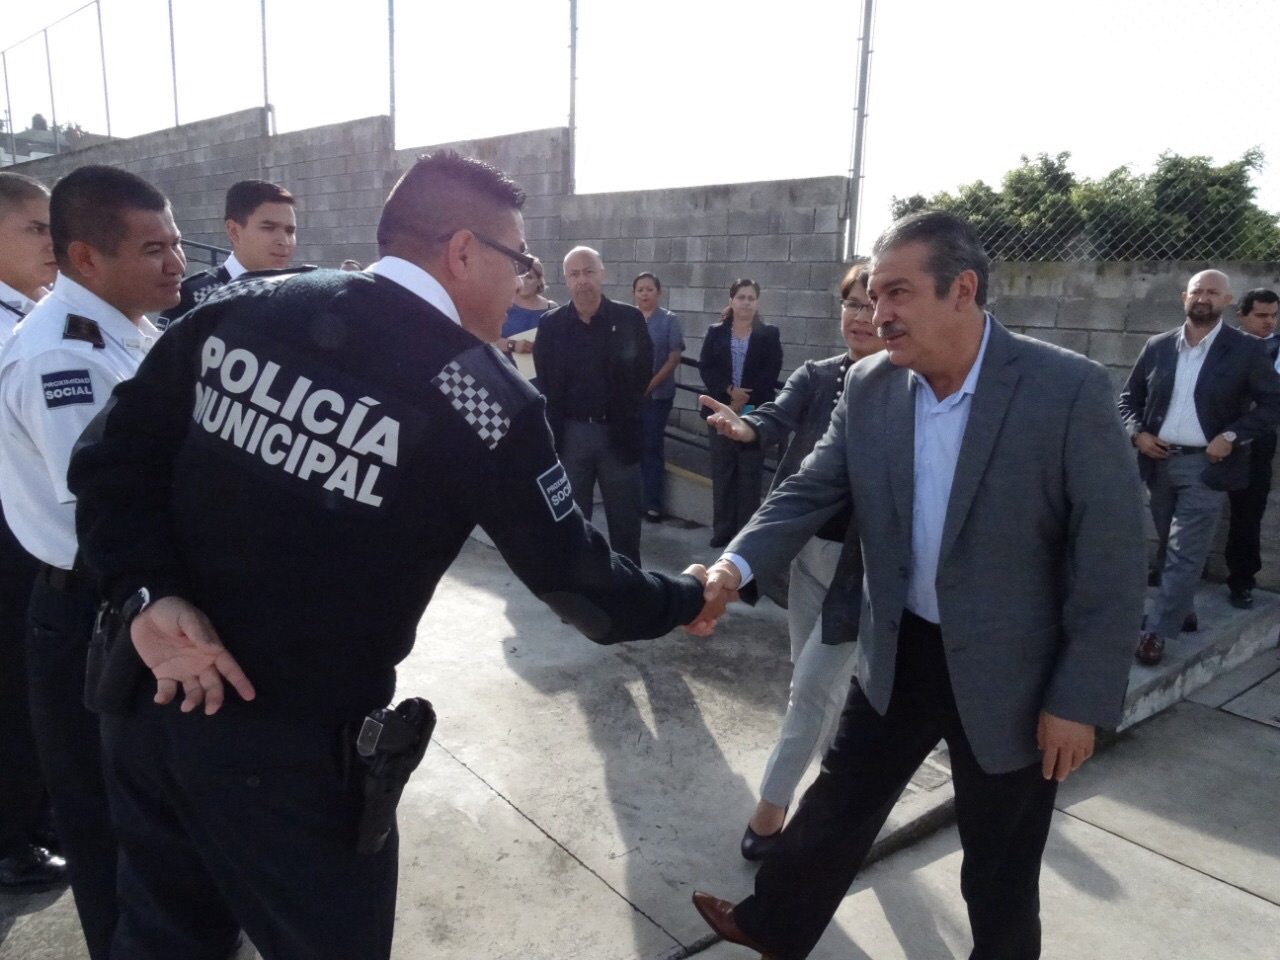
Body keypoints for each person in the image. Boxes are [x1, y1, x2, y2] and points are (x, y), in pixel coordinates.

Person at [67, 151, 718, 960]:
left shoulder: (247, 305)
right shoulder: (479, 396)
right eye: (518, 259)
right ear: (463, 251)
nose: (523, 282)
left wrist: (144, 591)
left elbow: (107, 462)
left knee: (161, 941)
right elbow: (584, 587)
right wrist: (688, 596)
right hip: (291, 757)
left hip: (148, 703)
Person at [690, 211, 1146, 960]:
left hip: (1013, 678)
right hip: (899, 648)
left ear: (961, 290)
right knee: (838, 802)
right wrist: (730, 569)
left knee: (999, 864)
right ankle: (772, 924)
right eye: (874, 296)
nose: (879, 315)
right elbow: (807, 490)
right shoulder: (870, 386)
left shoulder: (1066, 390)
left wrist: (1079, 699)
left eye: (897, 293)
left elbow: (1115, 556)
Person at [0, 164, 184, 958]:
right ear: (87, 258)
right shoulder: (62, 358)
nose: (176, 263)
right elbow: (108, 514)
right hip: (92, 608)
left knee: (155, 809)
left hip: (127, 596)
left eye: (175, 242)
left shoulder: (126, 330)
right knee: (107, 821)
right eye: (153, 249)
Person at [700, 263, 883, 860]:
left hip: (862, 571)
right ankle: (837, 791)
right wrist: (746, 426)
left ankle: (772, 809)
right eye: (852, 304)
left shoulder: (906, 387)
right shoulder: (819, 376)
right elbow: (775, 418)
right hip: (806, 557)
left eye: (871, 304)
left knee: (810, 688)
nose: (861, 316)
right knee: (816, 685)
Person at [1119, 270, 1280, 666]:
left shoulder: (1245, 349)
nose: (1203, 298)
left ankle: (1156, 631)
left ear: (1227, 300)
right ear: (1184, 297)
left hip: (1207, 467)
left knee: (1183, 550)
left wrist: (1232, 436)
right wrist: (1138, 433)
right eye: (1196, 291)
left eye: (1212, 292)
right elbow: (1128, 399)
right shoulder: (1158, 346)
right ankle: (1182, 607)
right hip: (1158, 462)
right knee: (1168, 542)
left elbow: (1272, 404)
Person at [0, 171, 67, 893]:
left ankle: (36, 814)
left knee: (34, 690)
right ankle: (9, 840)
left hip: (25, 530)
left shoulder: (36, 312)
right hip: (8, 531)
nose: (52, 242)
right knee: (12, 694)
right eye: (34, 229)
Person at [534, 246, 652, 563]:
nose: (582, 280)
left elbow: (643, 372)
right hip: (571, 436)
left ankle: (630, 586)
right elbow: (545, 379)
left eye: (588, 271)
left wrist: (625, 414)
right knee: (572, 526)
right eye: (574, 274)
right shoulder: (551, 326)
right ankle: (579, 588)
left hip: (618, 434)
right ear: (565, 279)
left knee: (625, 525)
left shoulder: (629, 319)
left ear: (602, 274)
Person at [699, 278, 783, 547]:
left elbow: (771, 371)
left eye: (751, 298)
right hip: (720, 411)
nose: (746, 302)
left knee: (750, 475)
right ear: (731, 300)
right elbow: (706, 366)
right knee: (723, 472)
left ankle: (744, 536)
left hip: (753, 413)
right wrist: (729, 392)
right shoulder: (715, 332)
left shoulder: (769, 334)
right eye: (741, 297)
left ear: (756, 303)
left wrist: (743, 398)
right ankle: (722, 531)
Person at [158, 178, 296, 326]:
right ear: (234, 231)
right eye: (268, 228)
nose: (284, 241)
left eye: (290, 231)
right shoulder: (190, 298)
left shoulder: (300, 296)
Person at [1224, 288, 1280, 608]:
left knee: (1248, 514)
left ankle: (1242, 581)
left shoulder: (1277, 348)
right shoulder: (1222, 344)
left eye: (1273, 315)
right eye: (1260, 315)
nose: (1268, 322)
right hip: (1210, 434)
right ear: (1241, 316)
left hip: (1257, 442)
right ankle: (1175, 568)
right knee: (1188, 507)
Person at [633, 271, 684, 521]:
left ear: (659, 292)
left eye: (649, 289)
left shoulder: (668, 320)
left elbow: (674, 358)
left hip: (658, 396)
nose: (645, 294)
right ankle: (633, 500)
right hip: (630, 396)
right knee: (631, 446)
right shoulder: (628, 318)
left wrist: (650, 386)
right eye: (640, 290)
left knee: (652, 446)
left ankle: (652, 503)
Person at [499, 255, 556, 358]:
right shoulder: (503, 304)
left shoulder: (551, 309)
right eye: (521, 276)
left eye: (529, 277)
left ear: (539, 281)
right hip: (505, 366)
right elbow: (487, 342)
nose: (523, 281)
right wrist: (513, 345)